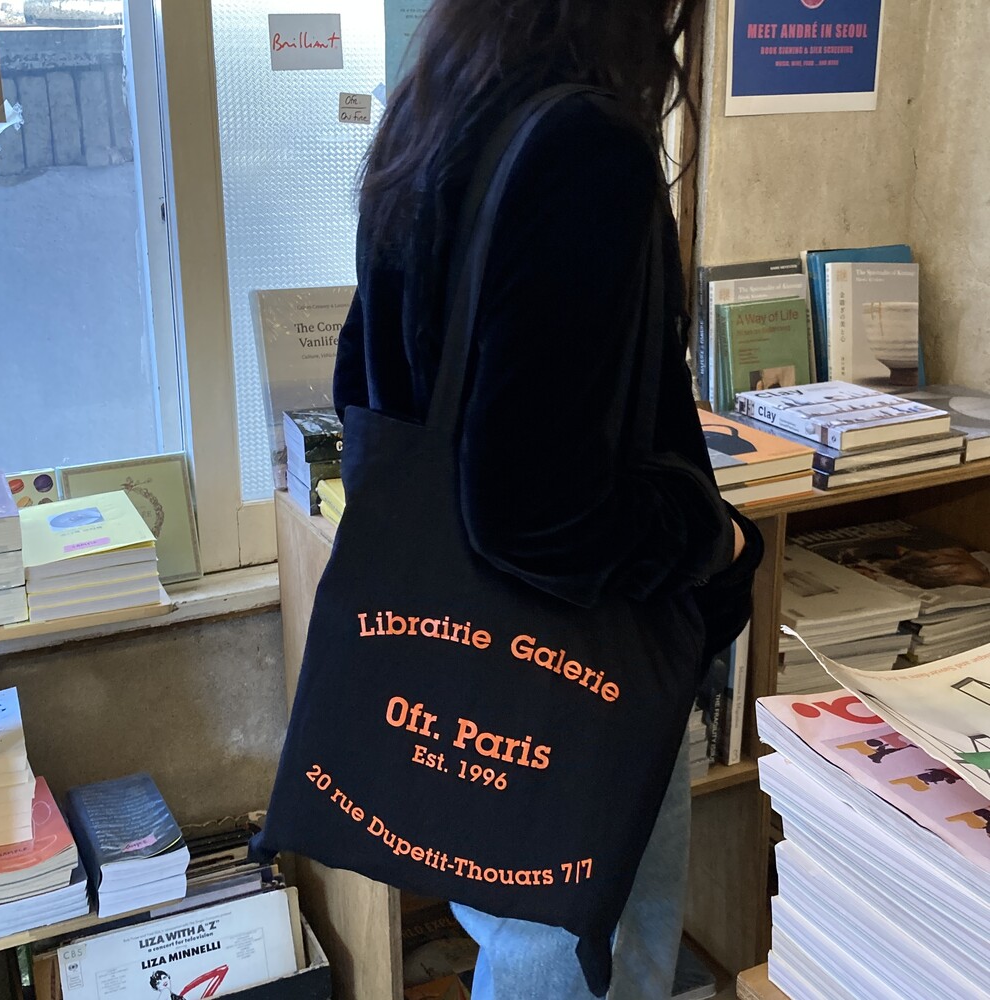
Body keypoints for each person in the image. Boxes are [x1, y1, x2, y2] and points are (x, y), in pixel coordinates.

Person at [333, 1, 763, 996]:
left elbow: (364, 400)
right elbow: (537, 513)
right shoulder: (585, 147)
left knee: (523, 940)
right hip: (581, 666)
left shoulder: (435, 109)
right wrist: (713, 539)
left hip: (460, 659)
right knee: (588, 956)